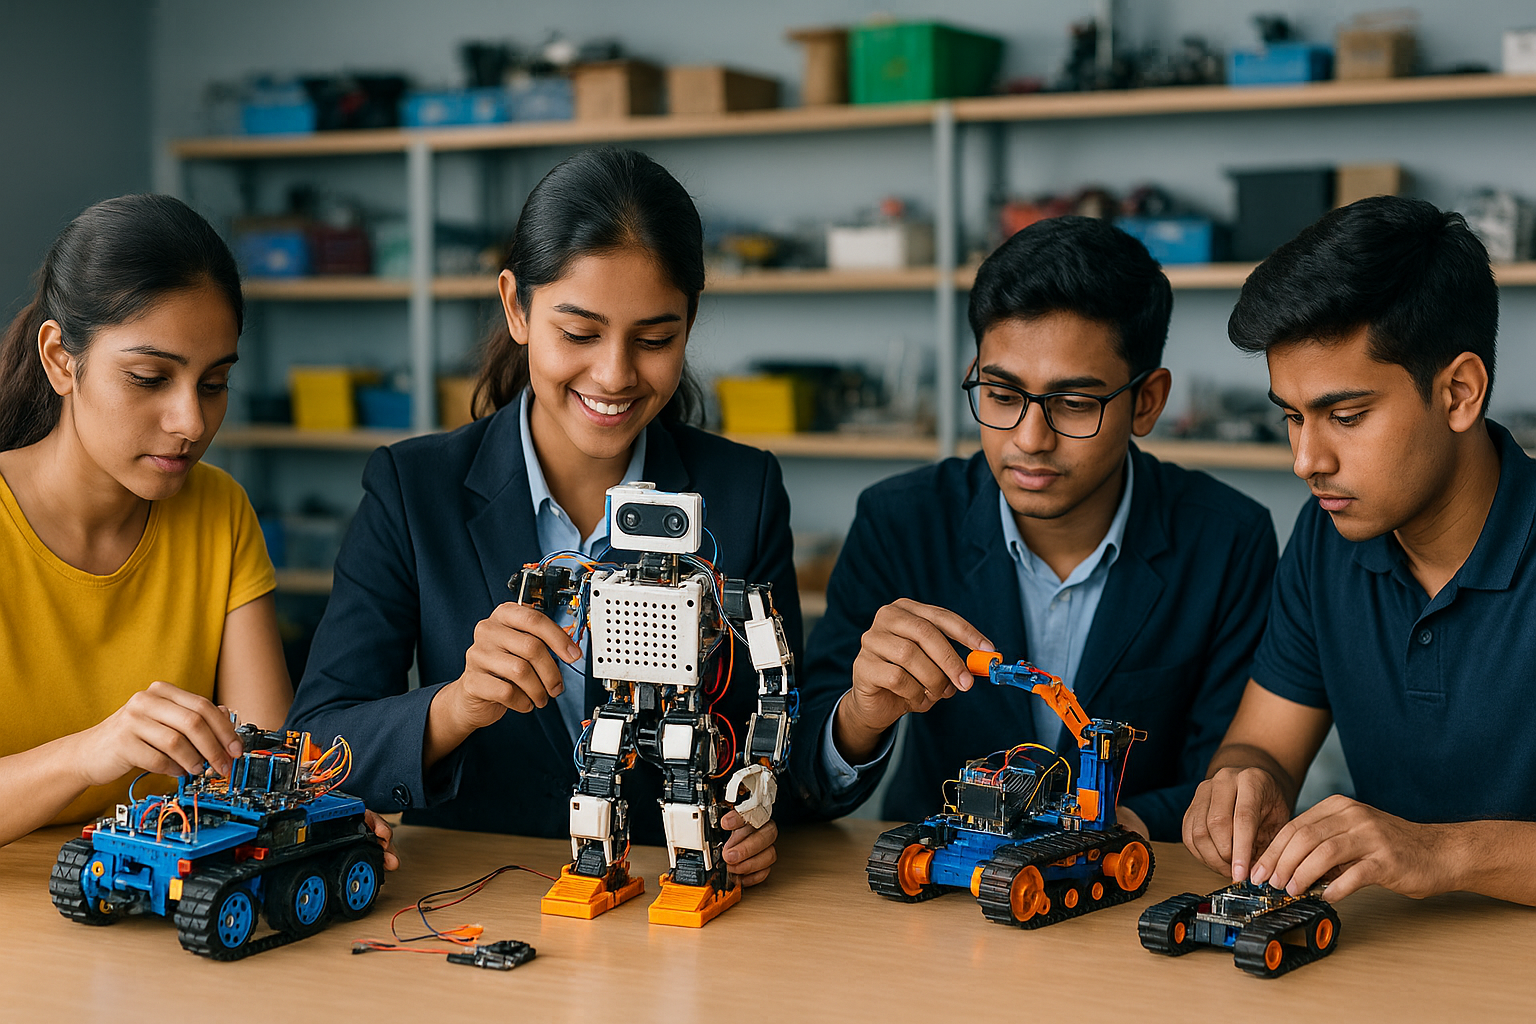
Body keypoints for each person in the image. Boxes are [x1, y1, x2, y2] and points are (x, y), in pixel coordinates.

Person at [285, 149, 797, 890]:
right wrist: (455, 706)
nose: (616, 374)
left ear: (690, 323)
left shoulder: (744, 491)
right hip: (488, 898)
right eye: (580, 334)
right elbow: (317, 742)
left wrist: (760, 809)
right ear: (517, 308)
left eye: (655, 339)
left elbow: (783, 732)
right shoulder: (412, 487)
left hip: (674, 910)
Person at [791, 216, 1277, 842]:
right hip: (941, 894)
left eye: (1074, 404)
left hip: (1123, 893)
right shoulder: (901, 519)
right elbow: (802, 775)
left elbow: (1228, 774)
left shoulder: (1228, 540)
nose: (1029, 439)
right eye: (1000, 394)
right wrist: (860, 716)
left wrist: (1107, 831)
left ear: (1148, 402)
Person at [1183, 196, 1536, 905]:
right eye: (1291, 417)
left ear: (1460, 392)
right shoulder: (1328, 536)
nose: (1306, 460)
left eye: (1346, 417)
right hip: (1388, 961)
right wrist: (1243, 787)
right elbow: (1263, 747)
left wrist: (1441, 851)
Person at [0, 194, 292, 846]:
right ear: (59, 360)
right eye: (148, 377)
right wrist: (89, 753)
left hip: (151, 923)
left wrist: (310, 822)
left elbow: (256, 768)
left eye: (213, 385)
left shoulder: (218, 511)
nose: (190, 423)